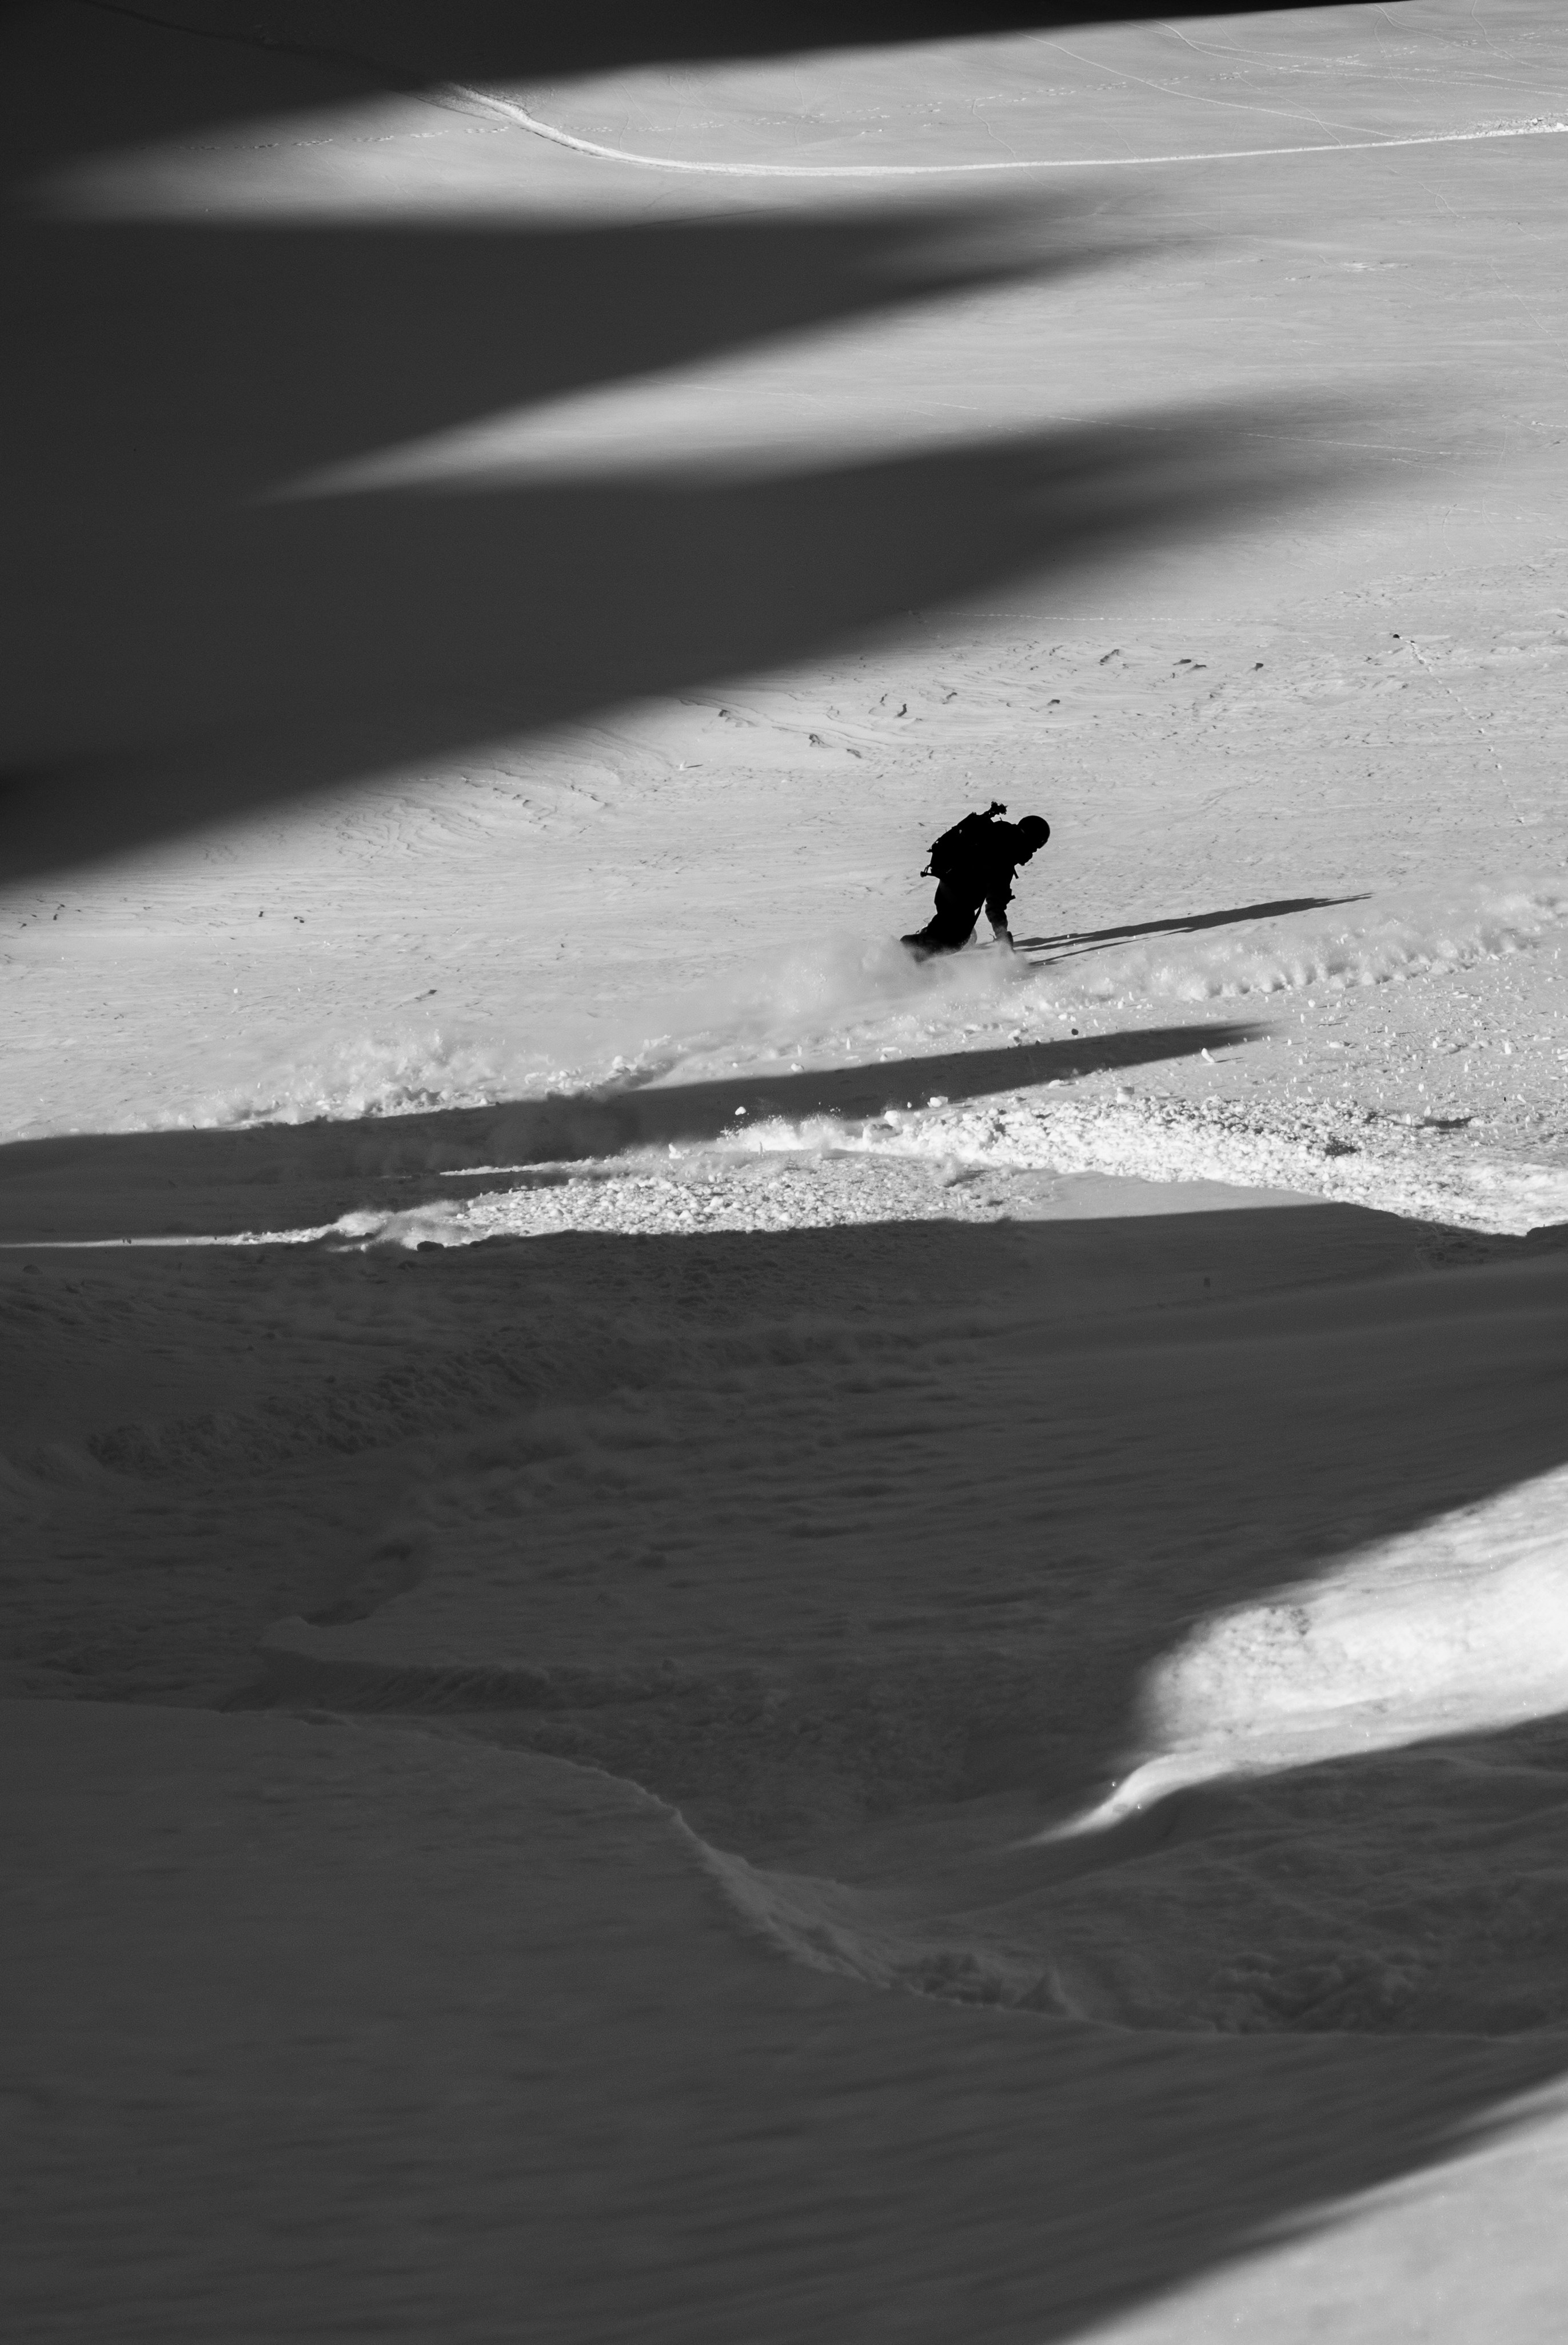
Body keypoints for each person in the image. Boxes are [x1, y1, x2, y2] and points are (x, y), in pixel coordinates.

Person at [901, 801, 1051, 958]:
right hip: (961, 896)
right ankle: (905, 958)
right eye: (1036, 846)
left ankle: (919, 946)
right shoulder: (1006, 854)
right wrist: (1002, 937)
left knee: (960, 934)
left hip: (947, 882)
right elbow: (995, 903)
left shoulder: (999, 832)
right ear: (1032, 840)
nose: (1034, 852)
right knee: (952, 941)